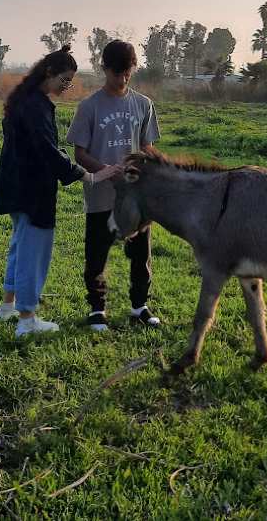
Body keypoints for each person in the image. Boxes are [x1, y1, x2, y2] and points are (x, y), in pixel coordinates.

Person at [0, 45, 119, 337]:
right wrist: (88, 175)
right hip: (33, 190)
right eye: (65, 80)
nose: (66, 86)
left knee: (20, 244)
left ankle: (7, 306)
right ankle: (27, 319)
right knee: (32, 253)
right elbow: (48, 152)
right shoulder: (35, 105)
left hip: (16, 186)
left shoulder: (25, 99)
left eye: (70, 82)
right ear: (49, 73)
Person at [66, 40, 161, 332]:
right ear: (103, 68)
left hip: (135, 197)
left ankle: (139, 306)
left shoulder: (143, 104)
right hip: (102, 195)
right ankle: (97, 310)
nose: (122, 79)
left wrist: (148, 167)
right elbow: (79, 153)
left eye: (127, 73)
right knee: (96, 253)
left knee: (140, 254)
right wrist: (107, 171)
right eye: (116, 73)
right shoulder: (89, 106)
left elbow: (147, 146)